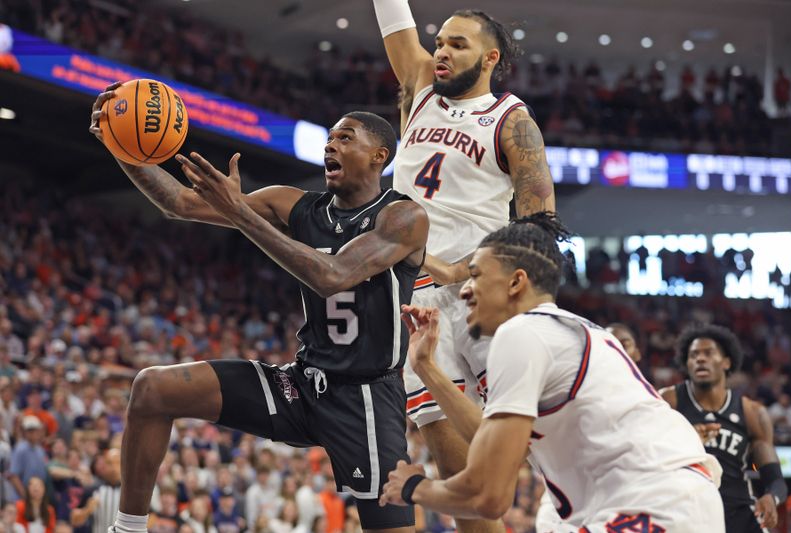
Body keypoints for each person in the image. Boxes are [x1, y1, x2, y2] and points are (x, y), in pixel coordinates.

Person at [89, 83, 428, 533]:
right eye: (329, 137)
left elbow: (332, 277)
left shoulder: (404, 217)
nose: (331, 144)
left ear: (379, 156)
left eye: (345, 138)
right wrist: (122, 144)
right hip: (303, 383)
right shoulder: (296, 204)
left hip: (367, 397)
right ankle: (127, 528)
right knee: (152, 389)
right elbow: (178, 203)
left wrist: (241, 214)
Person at [379, 213, 724, 532]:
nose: (465, 290)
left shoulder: (523, 334)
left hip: (652, 503)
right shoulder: (564, 330)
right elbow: (493, 439)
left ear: (516, 282)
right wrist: (427, 367)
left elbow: (489, 496)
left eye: (476, 276)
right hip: (672, 498)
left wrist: (413, 488)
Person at [371, 5, 555, 532]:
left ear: (490, 58)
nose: (443, 53)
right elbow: (393, 19)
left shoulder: (512, 121)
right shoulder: (420, 87)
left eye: (458, 45)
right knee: (455, 472)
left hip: (482, 295)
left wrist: (463, 269)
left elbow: (541, 224)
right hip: (415, 298)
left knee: (513, 454)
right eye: (440, 42)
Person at [660, 324, 787, 532]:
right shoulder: (667, 401)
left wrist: (771, 497)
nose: (700, 359)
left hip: (738, 513)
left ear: (726, 362)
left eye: (708, 353)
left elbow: (774, 477)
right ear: (686, 363)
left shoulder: (752, 412)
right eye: (693, 355)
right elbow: (646, 456)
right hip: (684, 510)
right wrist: (688, 441)